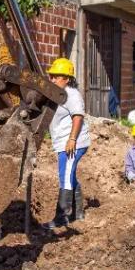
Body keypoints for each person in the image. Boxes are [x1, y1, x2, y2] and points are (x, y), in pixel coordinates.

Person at [46, 58, 91, 227]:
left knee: (65, 176)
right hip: (63, 142)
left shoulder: (71, 95)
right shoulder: (57, 93)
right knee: (69, 175)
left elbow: (78, 116)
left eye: (56, 77)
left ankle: (61, 218)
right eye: (51, 76)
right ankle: (78, 213)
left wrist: (72, 139)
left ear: (66, 78)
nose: (52, 79)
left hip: (73, 143)